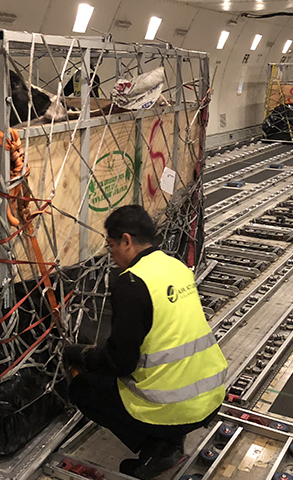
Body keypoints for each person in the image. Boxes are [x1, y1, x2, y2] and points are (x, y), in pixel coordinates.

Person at [64, 205, 227, 480]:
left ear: (127, 241)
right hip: (210, 396)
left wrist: (81, 354)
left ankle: (156, 449)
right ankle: (169, 440)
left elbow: (121, 363)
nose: (110, 254)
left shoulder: (131, 284)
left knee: (83, 388)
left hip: (177, 407)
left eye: (111, 245)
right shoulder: (176, 266)